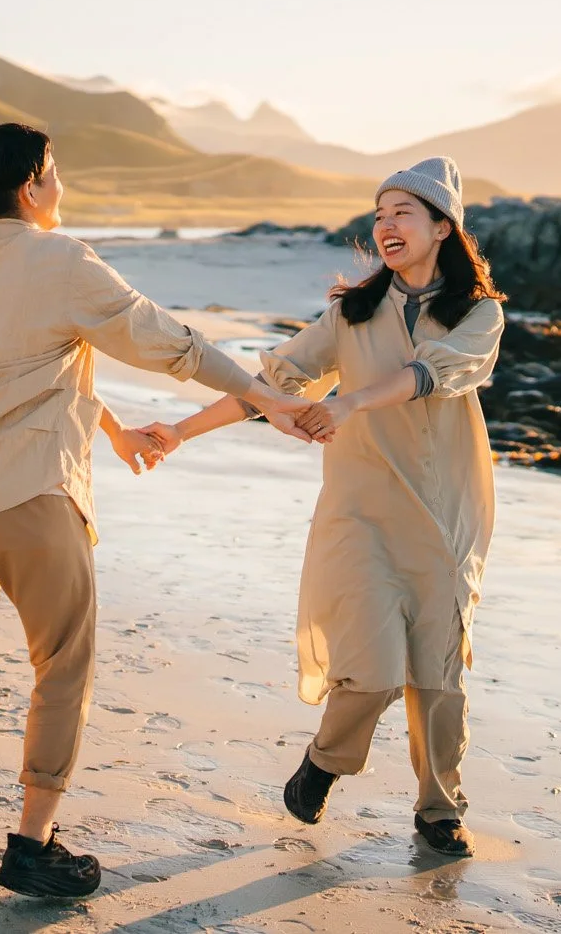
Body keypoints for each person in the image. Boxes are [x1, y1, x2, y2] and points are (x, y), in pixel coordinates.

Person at [0, 123, 320, 911]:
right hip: (32, 496)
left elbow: (19, 365)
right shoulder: (62, 257)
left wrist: (114, 433)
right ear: (35, 184)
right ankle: (32, 845)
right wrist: (269, 397)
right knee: (62, 666)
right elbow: (168, 341)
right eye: (56, 173)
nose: (60, 186)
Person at [134, 156, 505, 858]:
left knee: (439, 675)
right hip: (361, 513)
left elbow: (439, 373)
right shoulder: (351, 313)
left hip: (448, 516)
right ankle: (327, 760)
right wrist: (180, 431)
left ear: (441, 226)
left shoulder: (479, 314)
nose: (386, 224)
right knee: (368, 672)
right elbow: (269, 383)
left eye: (403, 212)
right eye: (379, 212)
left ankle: (439, 808)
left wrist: (350, 401)